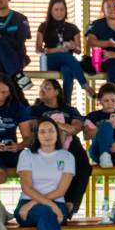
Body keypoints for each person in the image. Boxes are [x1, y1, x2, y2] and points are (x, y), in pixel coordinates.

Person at [15, 117, 75, 230]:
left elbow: (61, 190)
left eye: (51, 131)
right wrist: (49, 205)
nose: (47, 135)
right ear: (36, 135)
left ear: (57, 133)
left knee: (46, 219)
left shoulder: (67, 156)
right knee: (47, 214)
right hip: (27, 207)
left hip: (50, 204)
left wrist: (45, 204)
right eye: (42, 131)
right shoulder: (27, 155)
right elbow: (26, 187)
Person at [30, 79, 92, 215]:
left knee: (83, 165)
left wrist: (57, 125)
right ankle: (49, 204)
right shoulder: (35, 109)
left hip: (70, 142)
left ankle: (71, 203)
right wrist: (63, 127)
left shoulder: (70, 110)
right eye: (41, 88)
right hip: (45, 143)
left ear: (57, 91)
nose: (42, 90)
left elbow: (75, 128)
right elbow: (36, 127)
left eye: (47, 88)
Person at [35, 0, 95, 103]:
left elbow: (78, 51)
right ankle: (85, 86)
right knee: (66, 55)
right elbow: (38, 50)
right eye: (56, 10)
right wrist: (56, 50)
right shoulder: (43, 26)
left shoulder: (73, 28)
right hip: (50, 60)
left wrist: (73, 47)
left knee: (67, 70)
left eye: (62, 10)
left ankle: (66, 103)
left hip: (68, 62)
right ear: (50, 11)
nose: (59, 13)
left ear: (66, 10)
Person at [0, 73, 33, 168]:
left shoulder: (16, 107)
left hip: (10, 153)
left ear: (10, 91)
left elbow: (28, 137)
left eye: (4, 92)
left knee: (30, 164)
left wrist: (18, 146)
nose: (0, 96)